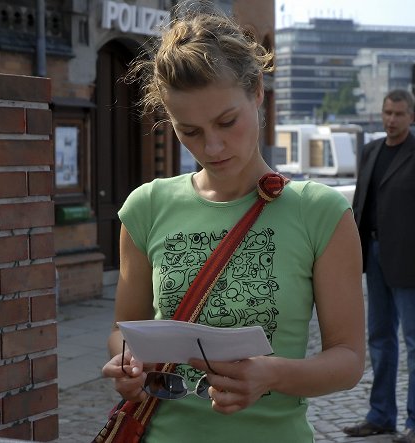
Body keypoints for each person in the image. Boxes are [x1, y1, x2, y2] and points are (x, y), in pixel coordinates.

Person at [100, 2, 366, 442]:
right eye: (190, 131)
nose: (213, 146)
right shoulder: (147, 206)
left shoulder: (320, 212)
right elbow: (123, 332)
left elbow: (348, 359)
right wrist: (127, 364)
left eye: (227, 121)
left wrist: (272, 375)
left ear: (258, 91)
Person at [343, 89, 415, 443]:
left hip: (411, 263)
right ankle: (381, 415)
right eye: (387, 112)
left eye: (399, 114)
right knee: (379, 340)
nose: (391, 119)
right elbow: (361, 205)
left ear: (411, 117)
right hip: (372, 257)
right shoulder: (370, 152)